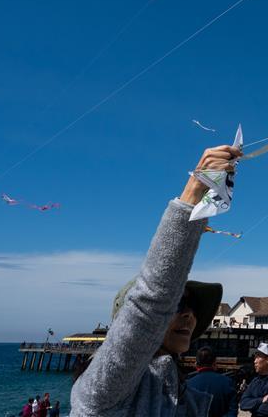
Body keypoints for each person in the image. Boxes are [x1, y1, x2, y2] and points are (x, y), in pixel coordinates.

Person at [71, 145, 234, 416]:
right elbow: (151, 302)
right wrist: (195, 191)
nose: (190, 315)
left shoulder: (185, 396)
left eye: (192, 307)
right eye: (177, 305)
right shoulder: (103, 386)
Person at [187, 346, 238, 417]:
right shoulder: (228, 382)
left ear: (196, 365)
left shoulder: (188, 385)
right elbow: (232, 412)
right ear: (214, 363)